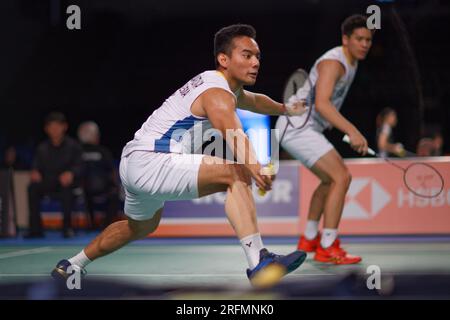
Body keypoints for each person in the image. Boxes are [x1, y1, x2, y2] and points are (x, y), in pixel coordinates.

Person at [52, 24, 308, 287]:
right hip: (154, 160)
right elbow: (233, 133)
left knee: (139, 227)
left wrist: (286, 109)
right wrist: (256, 166)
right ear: (224, 59)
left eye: (257, 57)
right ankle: (259, 261)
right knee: (237, 173)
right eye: (247, 55)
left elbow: (254, 101)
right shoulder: (216, 93)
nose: (255, 63)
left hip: (133, 162)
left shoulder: (223, 86)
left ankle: (72, 265)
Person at [275, 14, 372, 264]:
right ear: (345, 39)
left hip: (304, 127)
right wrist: (353, 131)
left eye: (368, 40)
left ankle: (309, 239)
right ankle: (328, 246)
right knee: (342, 176)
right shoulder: (334, 63)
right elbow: (322, 103)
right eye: (359, 39)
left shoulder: (352, 63)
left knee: (329, 181)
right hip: (296, 126)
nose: (364, 44)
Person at [26, 112, 83, 238]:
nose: (54, 129)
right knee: (32, 188)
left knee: (67, 190)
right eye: (51, 126)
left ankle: (67, 228)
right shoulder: (42, 148)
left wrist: (71, 173)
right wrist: (35, 172)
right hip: (48, 181)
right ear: (46, 129)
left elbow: (80, 166)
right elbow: (36, 166)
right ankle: (36, 229)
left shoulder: (73, 146)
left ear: (65, 127)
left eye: (57, 126)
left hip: (66, 183)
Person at [77, 121, 119, 229]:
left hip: (102, 187)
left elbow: (112, 170)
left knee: (114, 193)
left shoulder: (103, 151)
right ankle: (95, 224)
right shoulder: (77, 152)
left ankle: (104, 224)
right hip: (84, 188)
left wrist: (114, 184)